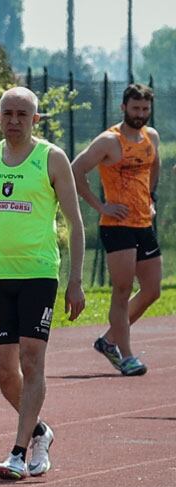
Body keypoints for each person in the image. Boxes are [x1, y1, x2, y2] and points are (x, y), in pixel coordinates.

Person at [0, 86, 85, 481]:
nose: (14, 121)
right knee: (6, 373)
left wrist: (75, 280)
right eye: (7, 114)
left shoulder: (51, 158)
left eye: (22, 114)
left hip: (39, 272)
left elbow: (75, 222)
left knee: (31, 360)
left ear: (35, 120)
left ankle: (18, 453)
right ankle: (40, 431)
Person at [71, 83, 160, 376]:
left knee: (152, 290)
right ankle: (127, 355)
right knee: (122, 291)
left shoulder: (151, 137)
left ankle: (109, 340)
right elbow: (75, 169)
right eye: (135, 108)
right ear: (123, 108)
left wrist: (151, 198)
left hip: (143, 223)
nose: (140, 114)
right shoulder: (109, 141)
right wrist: (101, 206)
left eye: (145, 109)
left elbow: (154, 165)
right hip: (117, 225)